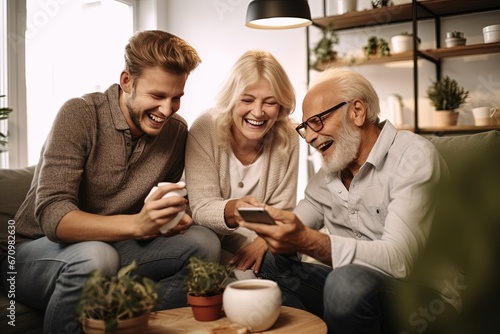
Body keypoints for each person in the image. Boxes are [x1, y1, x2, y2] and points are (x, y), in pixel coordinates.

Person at [0, 30, 221, 333]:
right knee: (95, 256)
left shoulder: (176, 132)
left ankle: (129, 320)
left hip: (116, 247)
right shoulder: (79, 114)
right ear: (127, 80)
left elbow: (152, 212)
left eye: (176, 98)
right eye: (157, 96)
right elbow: (54, 216)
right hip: (33, 252)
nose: (167, 110)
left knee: (204, 243)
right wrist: (138, 226)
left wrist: (169, 219)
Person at [238, 67, 463, 333]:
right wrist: (271, 234)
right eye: (304, 127)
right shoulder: (328, 176)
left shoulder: (413, 157)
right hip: (352, 293)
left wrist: (310, 241)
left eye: (317, 122)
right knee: (267, 262)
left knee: (345, 282)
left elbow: (399, 261)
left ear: (357, 111)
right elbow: (297, 224)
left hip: (423, 296)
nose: (309, 137)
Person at [185, 50, 299, 277]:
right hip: (208, 237)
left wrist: (262, 241)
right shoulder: (205, 128)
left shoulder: (289, 136)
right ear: (231, 99)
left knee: (282, 264)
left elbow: (283, 209)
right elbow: (202, 208)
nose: (257, 112)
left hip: (261, 237)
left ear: (281, 106)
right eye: (247, 100)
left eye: (270, 102)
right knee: (250, 278)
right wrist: (236, 210)